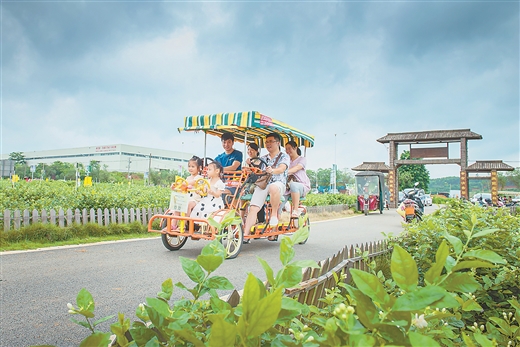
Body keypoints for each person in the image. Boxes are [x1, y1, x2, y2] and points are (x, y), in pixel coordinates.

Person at [243, 133, 290, 243]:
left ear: (278, 143)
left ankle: (274, 214)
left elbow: (282, 168)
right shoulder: (263, 158)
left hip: (279, 183)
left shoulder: (284, 156)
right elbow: (258, 171)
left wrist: (273, 171)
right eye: (266, 142)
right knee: (253, 207)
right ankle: (245, 234)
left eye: (270, 141)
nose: (268, 144)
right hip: (264, 184)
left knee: (273, 187)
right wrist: (251, 167)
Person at [170, 156, 203, 230]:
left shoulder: (199, 178)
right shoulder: (188, 178)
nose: (190, 168)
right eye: (189, 166)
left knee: (188, 204)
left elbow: (191, 183)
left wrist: (181, 184)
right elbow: (183, 186)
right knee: (177, 203)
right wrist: (175, 186)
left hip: (196, 199)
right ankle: (173, 224)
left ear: (199, 168)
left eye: (193, 166)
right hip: (187, 198)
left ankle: (183, 225)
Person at [284, 141, 311, 218]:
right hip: (288, 188)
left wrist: (285, 172)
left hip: (301, 185)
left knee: (294, 185)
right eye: (286, 149)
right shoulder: (286, 161)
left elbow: (297, 168)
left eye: (289, 148)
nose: (287, 151)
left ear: (295, 148)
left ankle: (295, 210)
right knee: (279, 202)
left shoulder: (302, 159)